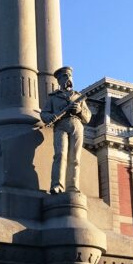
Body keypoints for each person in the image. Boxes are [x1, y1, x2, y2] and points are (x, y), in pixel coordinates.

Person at [40, 66, 92, 194]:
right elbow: (44, 114)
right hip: (61, 125)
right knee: (60, 155)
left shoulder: (78, 96)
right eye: (64, 76)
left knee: (75, 157)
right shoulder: (53, 97)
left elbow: (88, 117)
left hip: (76, 125)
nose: (68, 78)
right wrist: (51, 116)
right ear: (59, 81)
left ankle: (73, 186)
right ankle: (57, 185)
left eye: (69, 76)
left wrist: (79, 111)